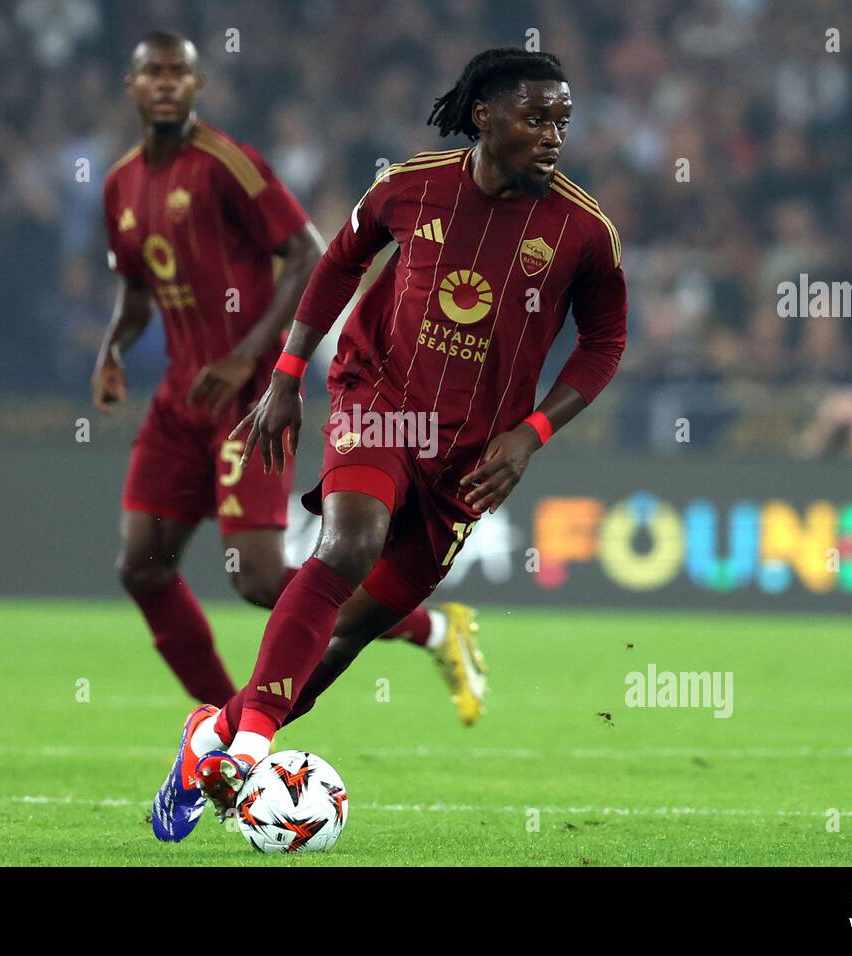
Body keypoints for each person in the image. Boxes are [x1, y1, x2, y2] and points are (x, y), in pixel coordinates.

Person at [152, 46, 628, 843]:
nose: (554, 136)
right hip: (378, 399)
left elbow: (606, 340)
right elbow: (338, 262)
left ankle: (214, 735)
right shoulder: (409, 186)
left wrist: (534, 432)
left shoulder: (582, 231)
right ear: (485, 113)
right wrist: (286, 373)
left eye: (564, 122)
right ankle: (254, 745)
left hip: (470, 459)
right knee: (349, 542)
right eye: (538, 117)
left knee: (340, 640)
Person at [96, 34, 487, 780]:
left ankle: (432, 629)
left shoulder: (228, 165)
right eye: (154, 72)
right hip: (180, 399)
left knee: (259, 577)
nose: (168, 83)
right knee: (141, 568)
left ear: (198, 82)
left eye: (181, 71)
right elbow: (137, 289)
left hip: (245, 395)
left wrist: (253, 358)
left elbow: (311, 252)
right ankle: (225, 726)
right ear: (133, 84)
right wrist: (113, 347)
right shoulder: (118, 185)